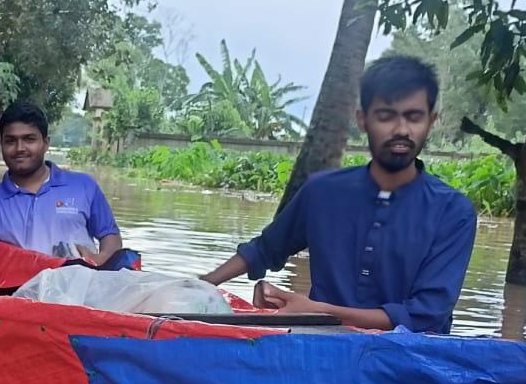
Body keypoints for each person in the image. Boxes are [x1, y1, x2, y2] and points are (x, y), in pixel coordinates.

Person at [199, 55, 476, 333]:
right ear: (362, 119)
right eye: (386, 116)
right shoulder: (322, 192)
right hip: (321, 347)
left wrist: (316, 311)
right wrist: (202, 285)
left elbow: (427, 315)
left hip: (409, 356)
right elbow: (265, 249)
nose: (401, 130)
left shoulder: (453, 212)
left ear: (431, 121)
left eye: (414, 117)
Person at [0, 101, 123, 271]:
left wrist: (98, 260)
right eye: (10, 141)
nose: (20, 148)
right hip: (20, 287)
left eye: (29, 139)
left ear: (45, 143)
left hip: (81, 284)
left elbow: (110, 237)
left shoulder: (84, 186)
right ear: (1, 144)